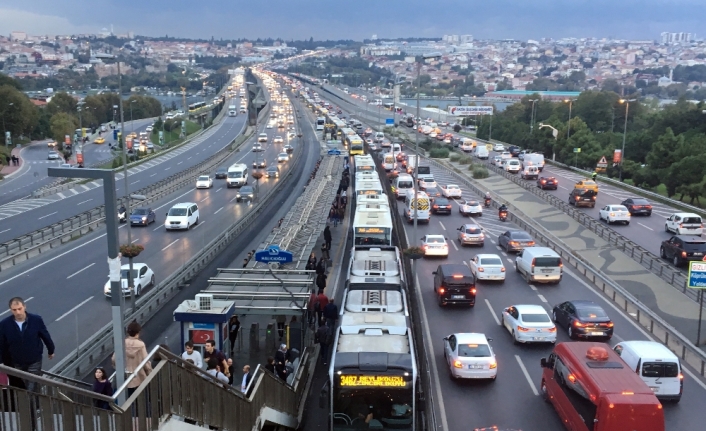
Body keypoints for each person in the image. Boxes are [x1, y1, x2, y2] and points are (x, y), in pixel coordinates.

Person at [0, 297, 55, 393]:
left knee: (32, 385)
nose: (17, 312)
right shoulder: (5, 324)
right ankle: (32, 405)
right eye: (14, 310)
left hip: (34, 359)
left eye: (19, 309)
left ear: (24, 307)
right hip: (16, 361)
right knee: (21, 385)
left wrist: (51, 350)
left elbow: (45, 335)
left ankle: (32, 405)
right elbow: (1, 344)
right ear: (11, 310)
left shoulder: (36, 320)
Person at [111, 321, 151, 397]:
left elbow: (114, 359)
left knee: (124, 400)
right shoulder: (140, 345)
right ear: (138, 332)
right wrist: (149, 372)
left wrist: (117, 368)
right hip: (138, 377)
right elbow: (145, 362)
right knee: (139, 400)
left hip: (123, 378)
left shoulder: (122, 343)